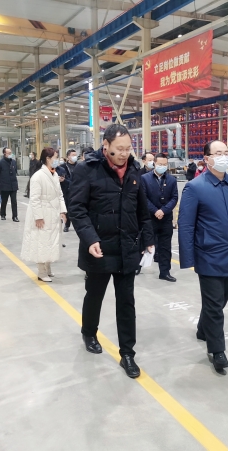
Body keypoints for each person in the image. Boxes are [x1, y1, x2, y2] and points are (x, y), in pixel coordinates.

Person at [69, 124, 154, 379]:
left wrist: (148, 240)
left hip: (127, 247)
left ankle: (127, 353)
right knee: (95, 294)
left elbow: (142, 211)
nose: (125, 153)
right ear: (105, 146)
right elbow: (77, 209)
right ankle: (89, 332)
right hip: (99, 248)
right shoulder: (87, 169)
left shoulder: (134, 171)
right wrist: (90, 238)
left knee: (126, 301)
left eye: (128, 148)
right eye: (120, 149)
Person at [178, 140, 228, 373]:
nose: (223, 157)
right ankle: (217, 350)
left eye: (226, 153)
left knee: (220, 300)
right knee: (214, 305)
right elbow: (186, 225)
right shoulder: (195, 187)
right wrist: (189, 258)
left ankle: (203, 329)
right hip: (209, 254)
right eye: (218, 153)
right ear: (207, 158)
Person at [21, 148, 67, 282]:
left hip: (53, 212)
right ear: (48, 158)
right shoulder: (38, 176)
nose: (57, 160)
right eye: (56, 157)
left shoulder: (54, 174)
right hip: (42, 213)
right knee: (40, 242)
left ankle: (48, 267)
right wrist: (38, 217)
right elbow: (34, 199)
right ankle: (41, 271)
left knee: (51, 241)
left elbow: (60, 195)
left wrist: (62, 211)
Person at [141, 153, 179, 282]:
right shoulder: (144, 178)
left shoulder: (172, 180)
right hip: (150, 218)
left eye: (164, 164)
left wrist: (163, 210)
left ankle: (165, 272)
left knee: (165, 247)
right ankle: (137, 267)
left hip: (166, 218)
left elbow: (174, 198)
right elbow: (143, 198)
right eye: (159, 164)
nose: (162, 166)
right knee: (145, 243)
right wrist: (155, 211)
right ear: (154, 164)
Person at [56, 149, 78, 232]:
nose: (75, 157)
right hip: (66, 191)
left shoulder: (79, 166)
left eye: (75, 155)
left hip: (77, 190)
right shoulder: (63, 167)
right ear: (68, 157)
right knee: (67, 208)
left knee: (76, 208)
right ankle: (67, 225)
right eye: (73, 155)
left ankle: (77, 225)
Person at [0, 147, 19, 222]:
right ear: (4, 153)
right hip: (4, 185)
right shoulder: (0, 162)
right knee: (4, 201)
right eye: (9, 153)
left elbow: (15, 171)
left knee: (14, 202)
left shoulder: (13, 162)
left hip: (13, 185)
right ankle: (3, 214)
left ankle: (15, 216)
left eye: (11, 153)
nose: (10, 154)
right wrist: (0, 181)